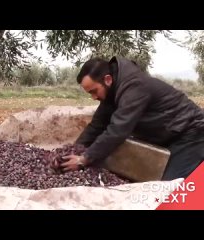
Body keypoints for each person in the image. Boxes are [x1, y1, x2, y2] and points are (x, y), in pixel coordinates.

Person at [60, 56, 204, 181]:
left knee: (170, 188)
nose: (94, 97)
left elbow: (118, 130)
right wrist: (73, 151)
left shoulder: (134, 87)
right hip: (169, 135)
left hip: (191, 132)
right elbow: (96, 126)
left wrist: (84, 159)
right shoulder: (112, 92)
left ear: (108, 79)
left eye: (94, 91)